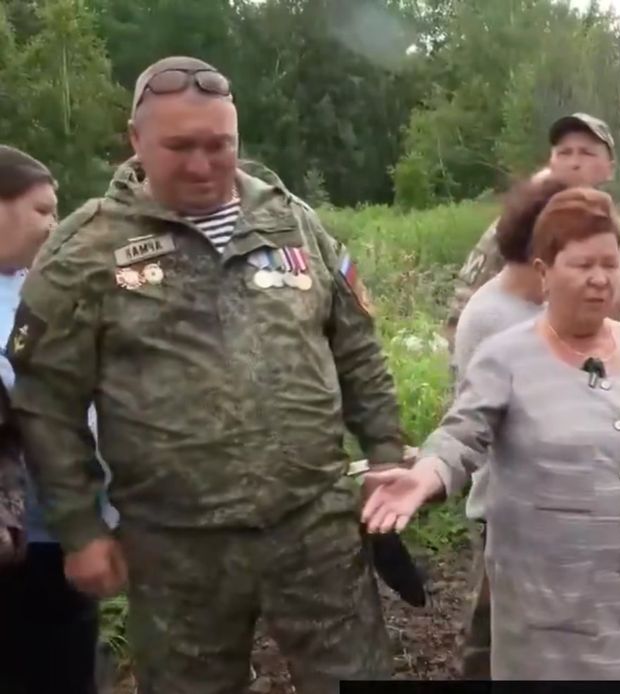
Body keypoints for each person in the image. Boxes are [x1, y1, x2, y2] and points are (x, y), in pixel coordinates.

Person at [6, 56, 404, 694]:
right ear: (135, 140)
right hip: (176, 547)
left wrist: (387, 451)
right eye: (179, 146)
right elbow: (47, 402)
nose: (201, 164)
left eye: (219, 146)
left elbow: (355, 346)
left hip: (314, 528)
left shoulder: (291, 220)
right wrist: (81, 528)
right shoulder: (86, 249)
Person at [361, 187, 620, 680]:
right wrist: (425, 475)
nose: (599, 279)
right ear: (545, 272)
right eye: (582, 264)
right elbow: (462, 435)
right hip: (544, 637)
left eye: (609, 264)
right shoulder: (506, 357)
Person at [0, 146, 119, 694]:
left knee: (64, 662)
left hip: (65, 526)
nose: (54, 225)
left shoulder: (46, 284)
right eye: (42, 210)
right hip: (16, 528)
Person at [451, 172, 568, 678]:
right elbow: (474, 426)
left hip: (568, 506)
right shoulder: (489, 316)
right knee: (496, 637)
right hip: (509, 513)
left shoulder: (554, 303)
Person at [445, 113, 620, 345]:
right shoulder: (516, 227)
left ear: (609, 169)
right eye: (564, 153)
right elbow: (464, 309)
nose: (574, 163)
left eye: (587, 153)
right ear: (550, 163)